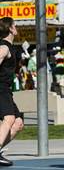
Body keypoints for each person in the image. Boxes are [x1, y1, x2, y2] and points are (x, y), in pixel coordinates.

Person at [0, 17, 24, 166]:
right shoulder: (4, 47)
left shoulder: (9, 46)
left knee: (18, 123)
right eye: (15, 25)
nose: (17, 28)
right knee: (9, 119)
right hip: (0, 88)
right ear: (10, 28)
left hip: (6, 90)